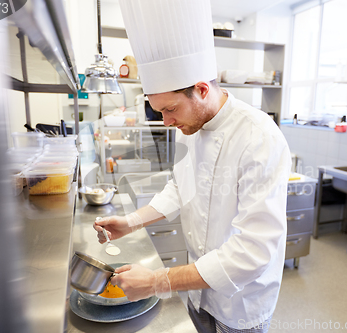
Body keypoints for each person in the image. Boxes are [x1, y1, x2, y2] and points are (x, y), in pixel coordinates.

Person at [93, 1, 291, 332]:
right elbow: (180, 186)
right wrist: (130, 223)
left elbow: (252, 253)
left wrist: (157, 281)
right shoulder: (190, 125)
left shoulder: (259, 137)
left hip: (241, 301)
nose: (167, 122)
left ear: (201, 89)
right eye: (159, 112)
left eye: (170, 109)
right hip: (197, 286)